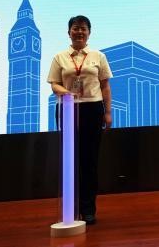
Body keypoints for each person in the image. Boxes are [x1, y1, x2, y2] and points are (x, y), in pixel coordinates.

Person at [47, 15, 113, 225]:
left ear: (89, 33)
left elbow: (105, 86)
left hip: (92, 109)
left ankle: (88, 209)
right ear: (69, 32)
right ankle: (71, 207)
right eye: (75, 28)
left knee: (89, 160)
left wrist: (108, 112)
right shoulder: (60, 57)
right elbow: (54, 84)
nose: (79, 32)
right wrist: (67, 93)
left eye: (83, 28)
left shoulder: (98, 56)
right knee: (70, 159)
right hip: (68, 108)